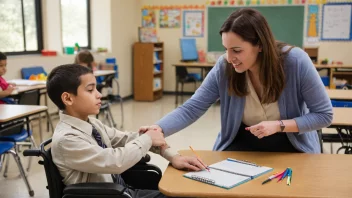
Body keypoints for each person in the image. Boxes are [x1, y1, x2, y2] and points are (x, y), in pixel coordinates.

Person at [140, 8, 333, 153]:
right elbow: (192, 108)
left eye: (237, 50)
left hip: (291, 143)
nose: (229, 57)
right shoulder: (225, 66)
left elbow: (324, 115)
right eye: (226, 49)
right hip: (242, 142)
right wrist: (159, 128)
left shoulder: (295, 62)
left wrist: (279, 125)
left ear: (259, 45)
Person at [46, 64, 206, 198]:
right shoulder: (67, 139)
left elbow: (126, 139)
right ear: (68, 98)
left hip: (123, 190)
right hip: (111, 195)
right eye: (90, 90)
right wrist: (148, 138)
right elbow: (115, 161)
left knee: (183, 190)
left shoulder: (91, 123)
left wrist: (172, 156)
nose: (99, 95)